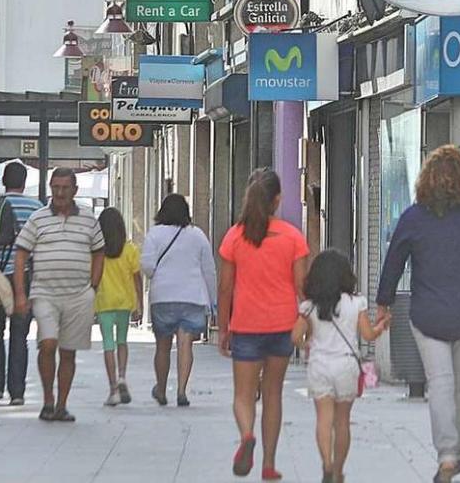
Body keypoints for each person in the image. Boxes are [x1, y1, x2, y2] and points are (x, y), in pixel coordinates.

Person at [375, 145, 460, 483]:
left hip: (427, 315)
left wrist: (383, 304)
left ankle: (447, 454)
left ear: (426, 178)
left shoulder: (412, 218)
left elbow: (392, 264)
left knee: (439, 384)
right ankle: (457, 451)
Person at [217, 169, 309, 481]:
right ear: (277, 200)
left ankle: (246, 436)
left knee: (243, 395)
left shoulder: (234, 236)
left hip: (246, 325)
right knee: (273, 394)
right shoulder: (293, 236)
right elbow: (302, 288)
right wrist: (304, 322)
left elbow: (225, 288)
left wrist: (223, 328)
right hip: (282, 325)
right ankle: (269, 465)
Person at [13, 168, 104, 422]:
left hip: (78, 295)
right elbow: (21, 255)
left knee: (68, 351)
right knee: (48, 343)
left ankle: (62, 404)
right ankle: (47, 399)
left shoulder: (88, 220)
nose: (60, 193)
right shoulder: (37, 219)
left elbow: (99, 251)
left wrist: (93, 286)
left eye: (65, 188)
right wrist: (20, 293)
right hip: (45, 292)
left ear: (75, 190)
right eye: (56, 188)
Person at [292, 249, 390, 483]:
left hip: (319, 365)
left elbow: (295, 336)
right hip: (346, 365)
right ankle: (338, 471)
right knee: (342, 421)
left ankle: (326, 463)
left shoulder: (309, 306)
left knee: (323, 419)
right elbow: (367, 334)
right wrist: (382, 326)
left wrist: (308, 345)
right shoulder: (356, 303)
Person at [140, 194, 216, 407]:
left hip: (163, 296)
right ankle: (182, 391)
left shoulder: (154, 234)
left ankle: (161, 388)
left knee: (162, 346)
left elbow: (146, 265)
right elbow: (209, 270)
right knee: (185, 345)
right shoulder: (198, 235)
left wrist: (157, 272)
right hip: (192, 296)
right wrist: (213, 300)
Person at [0, 162, 44, 405]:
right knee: (20, 334)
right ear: (24, 181)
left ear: (3, 181)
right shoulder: (36, 209)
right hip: (24, 278)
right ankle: (17, 392)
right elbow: (39, 247)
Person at [96, 207, 143, 406]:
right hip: (125, 302)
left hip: (104, 302)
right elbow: (137, 278)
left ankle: (113, 388)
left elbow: (93, 276)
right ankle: (123, 375)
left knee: (108, 345)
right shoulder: (130, 249)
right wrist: (139, 303)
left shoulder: (98, 251)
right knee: (122, 341)